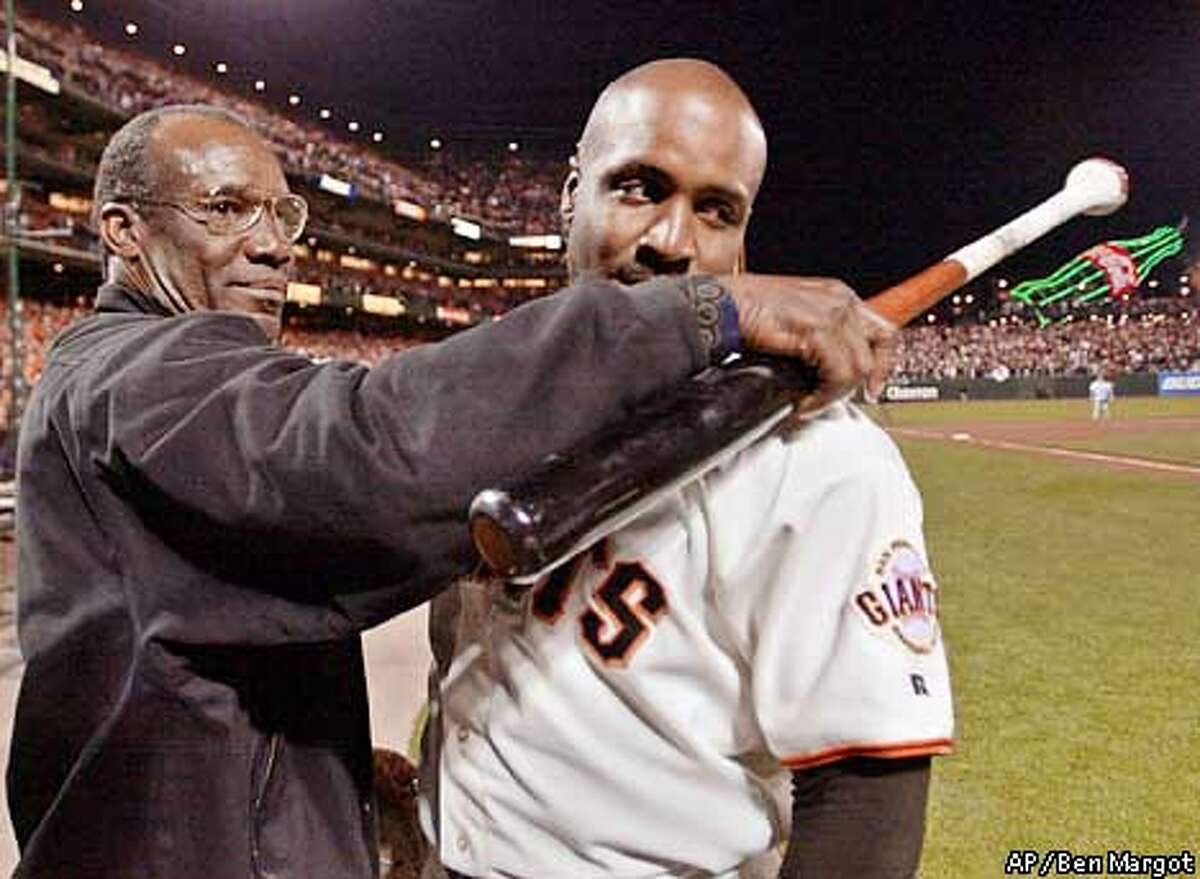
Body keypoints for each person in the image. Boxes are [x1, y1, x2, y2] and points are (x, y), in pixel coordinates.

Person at [6, 103, 890, 879]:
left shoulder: (827, 463)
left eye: (283, 212)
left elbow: (214, 631)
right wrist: (702, 313)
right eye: (226, 209)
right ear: (122, 232)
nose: (273, 243)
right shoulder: (138, 376)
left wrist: (331, 790)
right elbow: (370, 456)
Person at [420, 60, 953, 878]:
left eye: (715, 211)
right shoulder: (496, 390)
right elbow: (458, 652)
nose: (673, 242)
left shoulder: (823, 457)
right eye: (639, 188)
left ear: (743, 242)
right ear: (570, 197)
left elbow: (866, 809)